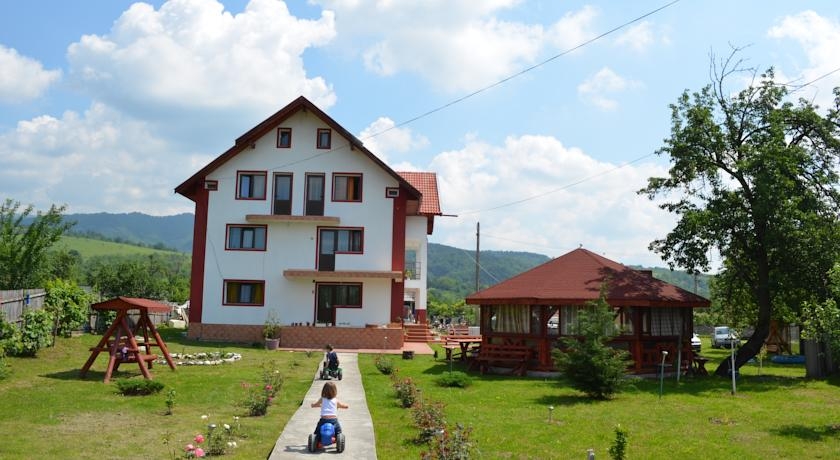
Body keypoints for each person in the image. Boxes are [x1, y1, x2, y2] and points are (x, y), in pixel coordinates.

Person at [311, 381, 349, 446]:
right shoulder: (335, 400)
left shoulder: (322, 399)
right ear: (335, 391)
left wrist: (313, 405)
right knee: (339, 431)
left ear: (323, 391)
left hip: (323, 420)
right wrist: (346, 406)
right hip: (333, 420)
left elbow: (316, 404)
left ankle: (317, 440)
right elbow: (341, 405)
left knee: (317, 431)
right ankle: (337, 440)